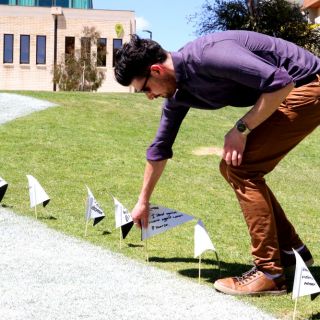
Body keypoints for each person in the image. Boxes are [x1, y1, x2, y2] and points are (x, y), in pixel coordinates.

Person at [114, 30, 320, 296]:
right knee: (233, 168)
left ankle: (269, 272)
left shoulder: (210, 55)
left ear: (156, 70)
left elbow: (280, 81)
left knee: (241, 168)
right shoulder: (178, 93)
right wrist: (143, 201)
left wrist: (241, 129)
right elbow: (160, 147)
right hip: (291, 88)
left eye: (145, 88)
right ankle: (291, 252)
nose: (149, 96)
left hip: (306, 85)